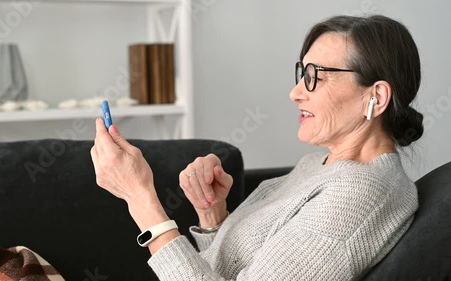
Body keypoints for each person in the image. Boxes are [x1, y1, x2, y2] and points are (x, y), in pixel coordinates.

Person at [91, 14, 424, 280]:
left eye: (314, 76)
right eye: (300, 73)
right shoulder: (320, 165)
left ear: (376, 97)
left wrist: (141, 199)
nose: (296, 93)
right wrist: (212, 216)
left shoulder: (359, 195)